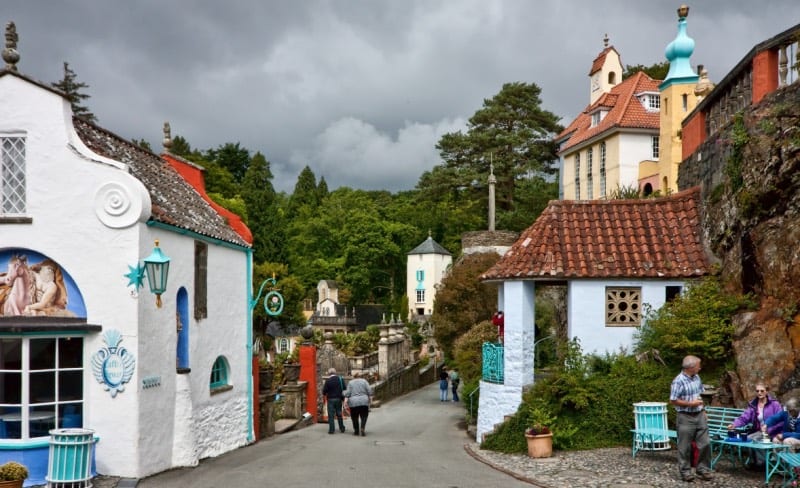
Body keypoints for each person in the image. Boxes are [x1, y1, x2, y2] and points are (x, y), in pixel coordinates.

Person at [669, 355, 713, 482]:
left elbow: (701, 395)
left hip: (699, 415)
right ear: (691, 367)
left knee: (705, 443)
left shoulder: (697, 377)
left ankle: (703, 469)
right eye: (698, 365)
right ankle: (685, 472)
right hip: (685, 417)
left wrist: (703, 410)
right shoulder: (678, 381)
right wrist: (690, 404)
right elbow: (673, 400)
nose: (700, 368)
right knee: (685, 447)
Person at [728, 382, 783, 468]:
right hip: (759, 431)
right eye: (757, 391)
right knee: (748, 438)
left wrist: (769, 430)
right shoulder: (753, 404)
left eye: (762, 391)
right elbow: (744, 417)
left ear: (767, 391)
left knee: (756, 439)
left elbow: (781, 420)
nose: (759, 393)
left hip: (773, 432)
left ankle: (763, 463)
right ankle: (755, 461)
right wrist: (734, 424)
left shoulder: (774, 404)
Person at [344, 371, 372, 437]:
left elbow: (348, 393)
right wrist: (370, 400)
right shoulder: (364, 381)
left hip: (353, 402)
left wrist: (345, 401)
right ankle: (362, 428)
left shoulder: (350, 383)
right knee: (364, 416)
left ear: (354, 376)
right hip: (364, 401)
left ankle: (356, 430)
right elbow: (369, 391)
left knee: (354, 417)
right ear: (360, 376)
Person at [322, 367, 346, 434]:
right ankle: (342, 428)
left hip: (330, 399)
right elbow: (344, 388)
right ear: (335, 372)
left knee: (331, 415)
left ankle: (331, 430)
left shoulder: (328, 381)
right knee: (339, 414)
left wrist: (326, 393)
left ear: (329, 373)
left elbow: (324, 391)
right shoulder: (340, 379)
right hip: (338, 399)